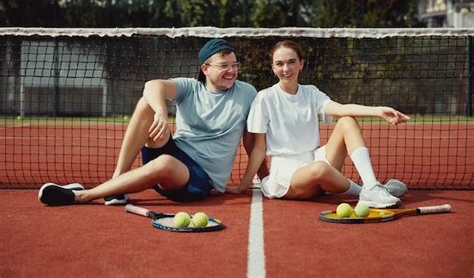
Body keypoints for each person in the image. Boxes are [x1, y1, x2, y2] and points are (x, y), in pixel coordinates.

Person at [38, 38, 265, 206]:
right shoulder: (190, 87)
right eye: (224, 65)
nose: (232, 71)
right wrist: (160, 111)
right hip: (174, 151)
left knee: (165, 162)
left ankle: (82, 196)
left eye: (234, 65)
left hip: (199, 178)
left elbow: (252, 142)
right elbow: (152, 85)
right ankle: (117, 183)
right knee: (146, 103)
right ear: (205, 68)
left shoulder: (247, 93)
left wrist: (254, 182)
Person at [227, 40, 409, 208]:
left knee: (347, 121)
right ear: (273, 67)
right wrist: (243, 186)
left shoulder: (311, 92)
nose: (286, 68)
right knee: (320, 169)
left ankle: (372, 187)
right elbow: (258, 149)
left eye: (291, 62)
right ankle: (369, 192)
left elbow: (341, 109)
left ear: (301, 64)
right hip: (287, 176)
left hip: (314, 159)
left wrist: (378, 111)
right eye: (280, 63)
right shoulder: (264, 98)